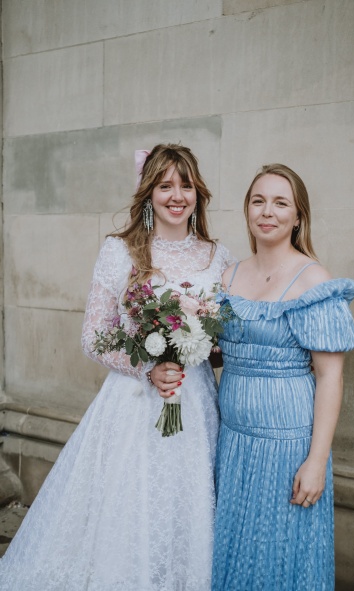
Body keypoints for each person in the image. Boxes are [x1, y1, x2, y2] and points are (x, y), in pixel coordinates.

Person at [0, 144, 235, 591]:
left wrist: (201, 347)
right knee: (132, 507)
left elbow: (225, 338)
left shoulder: (218, 256)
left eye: (185, 184)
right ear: (148, 193)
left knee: (188, 506)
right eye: (165, 185)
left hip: (198, 404)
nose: (176, 195)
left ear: (198, 193)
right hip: (133, 406)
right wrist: (149, 368)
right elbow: (93, 336)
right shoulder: (120, 252)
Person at [211, 163, 354, 591]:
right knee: (237, 549)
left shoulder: (313, 280)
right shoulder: (229, 276)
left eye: (281, 203)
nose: (267, 211)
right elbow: (224, 353)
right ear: (246, 210)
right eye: (258, 200)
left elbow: (331, 378)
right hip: (234, 439)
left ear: (298, 217)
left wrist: (315, 462)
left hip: (287, 444)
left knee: (279, 553)